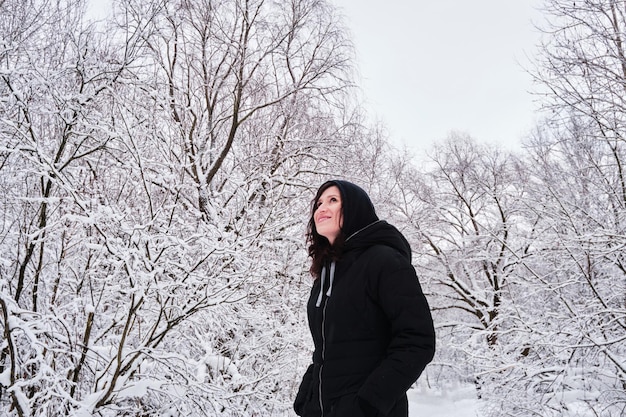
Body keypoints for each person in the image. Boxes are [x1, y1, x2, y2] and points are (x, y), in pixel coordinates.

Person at [294, 180, 436, 417]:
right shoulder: (326, 275)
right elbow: (328, 347)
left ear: (355, 208)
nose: (322, 208)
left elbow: (418, 341)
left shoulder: (384, 261)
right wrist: (308, 394)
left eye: (333, 200)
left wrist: (368, 405)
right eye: (318, 203)